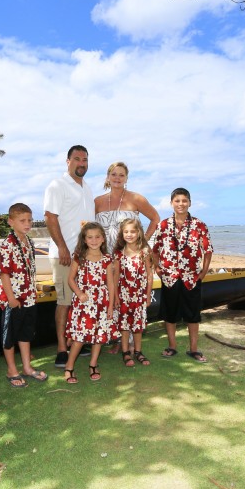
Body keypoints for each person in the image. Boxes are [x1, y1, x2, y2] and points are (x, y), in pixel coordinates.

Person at [43, 145, 95, 367]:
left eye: (85, 159)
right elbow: (49, 217)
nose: (81, 163)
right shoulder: (57, 185)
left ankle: (78, 341)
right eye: (77, 159)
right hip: (64, 255)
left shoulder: (86, 188)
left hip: (85, 257)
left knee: (80, 301)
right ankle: (62, 349)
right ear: (68, 161)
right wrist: (62, 247)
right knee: (64, 301)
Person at [150, 187, 213, 363]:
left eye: (184, 200)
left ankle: (193, 349)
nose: (181, 204)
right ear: (171, 203)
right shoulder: (163, 225)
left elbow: (207, 250)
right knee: (170, 314)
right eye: (177, 201)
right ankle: (172, 346)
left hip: (191, 278)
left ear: (190, 203)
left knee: (193, 315)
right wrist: (157, 268)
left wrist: (203, 272)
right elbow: (155, 250)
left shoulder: (199, 225)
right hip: (170, 278)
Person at [0, 203, 48, 387]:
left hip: (28, 296)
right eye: (22, 220)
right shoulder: (7, 245)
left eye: (30, 220)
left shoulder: (29, 242)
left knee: (26, 333)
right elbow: (4, 273)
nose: (27, 224)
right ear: (11, 222)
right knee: (9, 336)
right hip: (14, 298)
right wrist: (10, 297)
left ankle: (27, 367)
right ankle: (12, 370)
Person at [63, 222, 116, 383]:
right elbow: (71, 279)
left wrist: (110, 306)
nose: (94, 240)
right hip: (84, 303)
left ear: (103, 239)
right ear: (84, 240)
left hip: (101, 302)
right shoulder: (79, 257)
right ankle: (69, 366)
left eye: (97, 237)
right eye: (90, 237)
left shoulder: (107, 258)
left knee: (99, 335)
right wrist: (79, 293)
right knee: (80, 337)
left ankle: (93, 364)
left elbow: (111, 284)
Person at [114, 217, 155, 367]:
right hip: (124, 296)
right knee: (125, 326)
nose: (129, 234)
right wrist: (116, 297)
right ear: (122, 234)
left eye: (133, 231)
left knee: (137, 326)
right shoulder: (119, 253)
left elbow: (149, 275)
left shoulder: (144, 252)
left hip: (139, 296)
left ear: (139, 233)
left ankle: (138, 351)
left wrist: (148, 295)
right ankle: (125, 352)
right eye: (126, 231)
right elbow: (116, 276)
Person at [94, 162, 160, 253]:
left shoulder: (136, 199)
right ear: (108, 177)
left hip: (131, 255)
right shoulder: (97, 201)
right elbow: (88, 226)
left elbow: (155, 218)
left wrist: (145, 239)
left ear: (126, 179)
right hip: (103, 256)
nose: (117, 178)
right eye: (114, 174)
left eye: (121, 175)